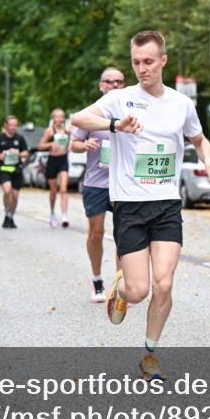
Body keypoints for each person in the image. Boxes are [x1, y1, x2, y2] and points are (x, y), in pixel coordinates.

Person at [71, 30, 210, 380]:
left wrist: (209, 160)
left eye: (148, 62)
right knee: (138, 290)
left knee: (165, 284)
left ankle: (150, 354)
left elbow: (199, 139)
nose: (142, 68)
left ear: (163, 61)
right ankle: (120, 291)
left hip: (167, 204)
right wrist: (115, 125)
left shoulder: (181, 104)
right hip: (130, 205)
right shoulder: (120, 99)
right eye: (136, 62)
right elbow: (79, 119)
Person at [71, 67, 125, 302]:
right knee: (96, 233)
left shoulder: (129, 113)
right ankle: (96, 282)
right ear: (101, 85)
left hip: (122, 184)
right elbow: (73, 143)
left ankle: (119, 284)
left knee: (124, 235)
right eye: (109, 81)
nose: (114, 85)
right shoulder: (90, 115)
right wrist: (84, 146)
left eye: (119, 81)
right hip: (96, 183)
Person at [0, 115, 29, 228]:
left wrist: (17, 153)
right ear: (5, 125)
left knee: (15, 196)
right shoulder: (0, 138)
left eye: (15, 125)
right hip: (5, 169)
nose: (14, 127)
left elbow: (26, 153)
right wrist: (0, 155)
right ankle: (7, 211)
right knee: (7, 191)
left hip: (17, 170)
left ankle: (10, 217)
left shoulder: (19, 138)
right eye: (11, 125)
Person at [40, 108, 72, 228]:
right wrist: (50, 144)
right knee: (53, 191)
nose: (59, 119)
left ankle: (64, 216)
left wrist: (70, 146)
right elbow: (40, 145)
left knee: (63, 189)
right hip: (52, 161)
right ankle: (52, 213)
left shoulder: (67, 131)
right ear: (53, 118)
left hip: (63, 160)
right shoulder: (49, 131)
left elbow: (71, 143)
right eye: (57, 116)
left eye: (61, 116)